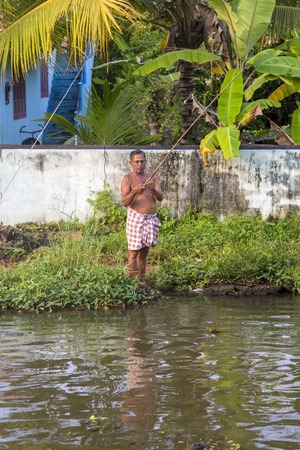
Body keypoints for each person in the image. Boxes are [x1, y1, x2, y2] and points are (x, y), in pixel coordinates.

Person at [121, 150, 163, 282]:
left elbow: (160, 197)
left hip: (150, 219)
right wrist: (134, 192)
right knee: (134, 251)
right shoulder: (128, 178)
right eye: (137, 162)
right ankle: (132, 282)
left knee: (144, 251)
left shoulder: (152, 177)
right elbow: (124, 202)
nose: (140, 164)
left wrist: (153, 189)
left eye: (142, 161)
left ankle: (141, 280)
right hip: (136, 218)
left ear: (145, 161)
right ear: (131, 163)